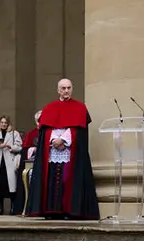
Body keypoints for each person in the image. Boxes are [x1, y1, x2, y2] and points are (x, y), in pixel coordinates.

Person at [26, 79, 99, 220]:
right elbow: (45, 130)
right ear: (58, 90)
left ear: (72, 89)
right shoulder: (49, 108)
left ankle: (69, 211)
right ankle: (51, 211)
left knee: (67, 180)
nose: (66, 91)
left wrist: (64, 140)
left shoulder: (80, 108)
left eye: (69, 88)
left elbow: (79, 131)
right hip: (53, 151)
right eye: (63, 88)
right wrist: (54, 140)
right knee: (52, 181)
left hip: (70, 151)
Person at [0, 116, 23, 215]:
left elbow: (19, 146)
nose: (3, 124)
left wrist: (8, 146)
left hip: (9, 161)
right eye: (2, 122)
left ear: (8, 124)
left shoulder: (14, 134)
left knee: (11, 186)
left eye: (5, 123)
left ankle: (13, 207)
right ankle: (0, 207)